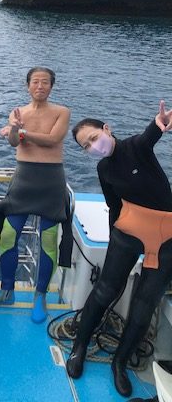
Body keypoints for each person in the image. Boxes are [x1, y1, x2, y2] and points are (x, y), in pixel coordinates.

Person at [66, 101, 172, 398]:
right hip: (128, 230)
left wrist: (159, 124)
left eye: (93, 138)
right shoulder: (103, 168)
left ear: (106, 129)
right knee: (105, 290)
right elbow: (113, 204)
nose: (93, 146)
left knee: (144, 305)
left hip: (165, 236)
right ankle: (79, 346)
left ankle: (120, 363)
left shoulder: (135, 148)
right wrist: (115, 236)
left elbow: (149, 136)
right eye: (86, 146)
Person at [0, 67, 71, 324]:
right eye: (35, 82)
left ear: (51, 86)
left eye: (45, 82)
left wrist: (22, 132)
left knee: (48, 241)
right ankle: (6, 291)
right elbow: (13, 142)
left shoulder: (62, 112)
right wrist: (14, 130)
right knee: (8, 235)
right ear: (27, 85)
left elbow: (53, 139)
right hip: (24, 179)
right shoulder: (18, 112)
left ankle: (40, 296)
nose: (40, 86)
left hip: (51, 180)